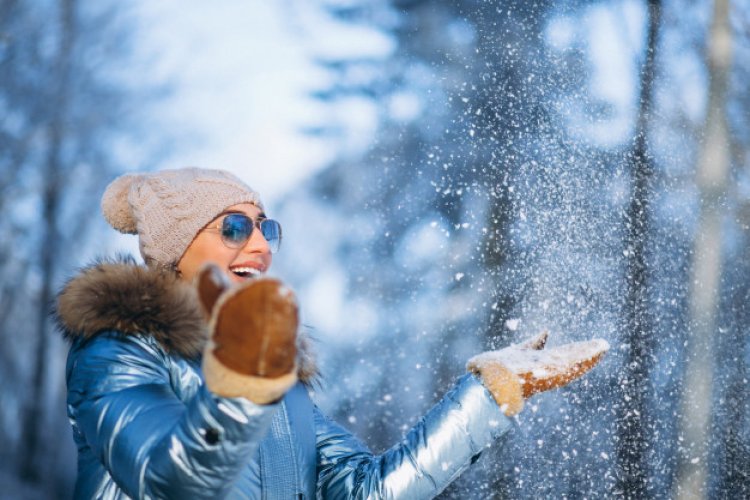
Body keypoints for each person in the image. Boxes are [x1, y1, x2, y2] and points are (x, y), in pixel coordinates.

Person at [58, 167, 608, 499]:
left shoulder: (280, 381)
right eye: (234, 227)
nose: (261, 245)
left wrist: (488, 394)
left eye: (265, 226)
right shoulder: (118, 349)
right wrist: (244, 382)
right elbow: (173, 484)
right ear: (176, 249)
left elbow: (369, 491)